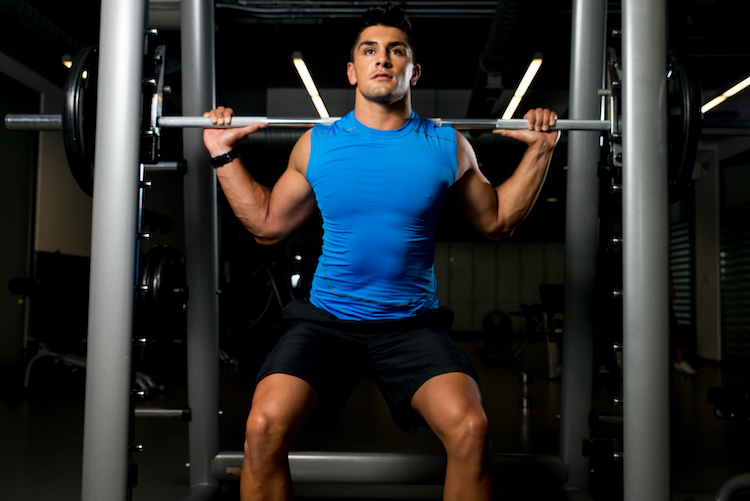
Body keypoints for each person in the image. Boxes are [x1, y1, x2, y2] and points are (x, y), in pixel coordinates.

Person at [202, 3, 559, 500]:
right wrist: (222, 153)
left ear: (414, 71)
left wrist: (540, 150)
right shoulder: (317, 143)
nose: (382, 59)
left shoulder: (447, 144)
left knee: (471, 431)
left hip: (411, 325)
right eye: (369, 50)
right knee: (262, 428)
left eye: (396, 51)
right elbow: (266, 225)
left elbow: (497, 222)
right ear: (352, 70)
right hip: (326, 321)